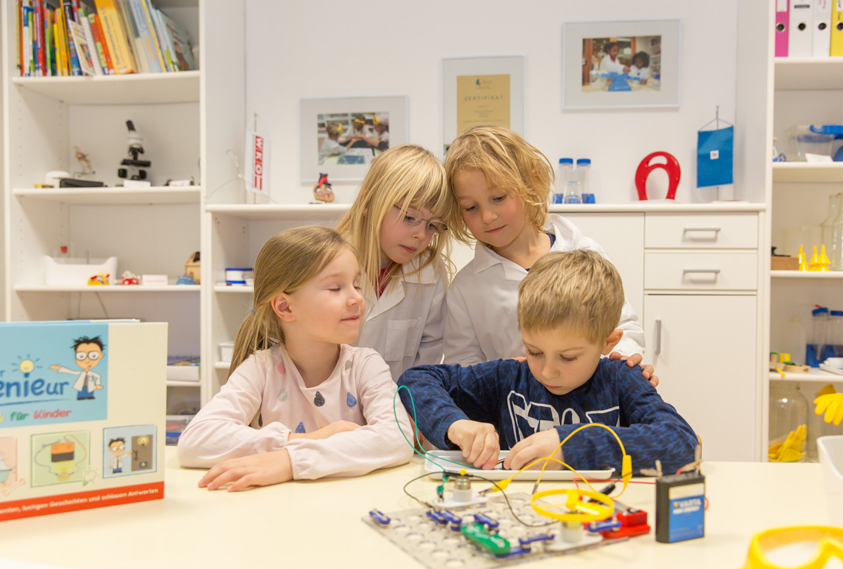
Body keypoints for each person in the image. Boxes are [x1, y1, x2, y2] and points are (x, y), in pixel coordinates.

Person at [398, 250, 698, 474]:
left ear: (608, 342)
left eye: (568, 357)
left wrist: (571, 446)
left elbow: (682, 442)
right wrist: (456, 425)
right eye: (534, 351)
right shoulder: (509, 378)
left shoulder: (622, 380)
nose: (547, 371)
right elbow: (415, 381)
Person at [177, 226, 413, 491]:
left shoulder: (366, 366)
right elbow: (194, 441)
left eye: (357, 284)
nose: (357, 297)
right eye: (336, 288)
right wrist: (305, 439)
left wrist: (290, 461)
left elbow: (398, 438)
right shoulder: (260, 369)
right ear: (285, 307)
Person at [442, 126, 656, 386]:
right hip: (514, 408)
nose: (487, 216)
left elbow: (623, 327)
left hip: (592, 400)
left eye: (498, 197)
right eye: (470, 207)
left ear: (530, 182)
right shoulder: (464, 290)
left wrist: (623, 364)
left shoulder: (585, 253)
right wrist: (504, 377)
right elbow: (463, 368)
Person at [337, 144, 455, 382]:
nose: (421, 235)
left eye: (432, 226)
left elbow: (426, 365)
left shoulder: (430, 274)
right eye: (409, 217)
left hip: (397, 403)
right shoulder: (324, 264)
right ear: (368, 203)